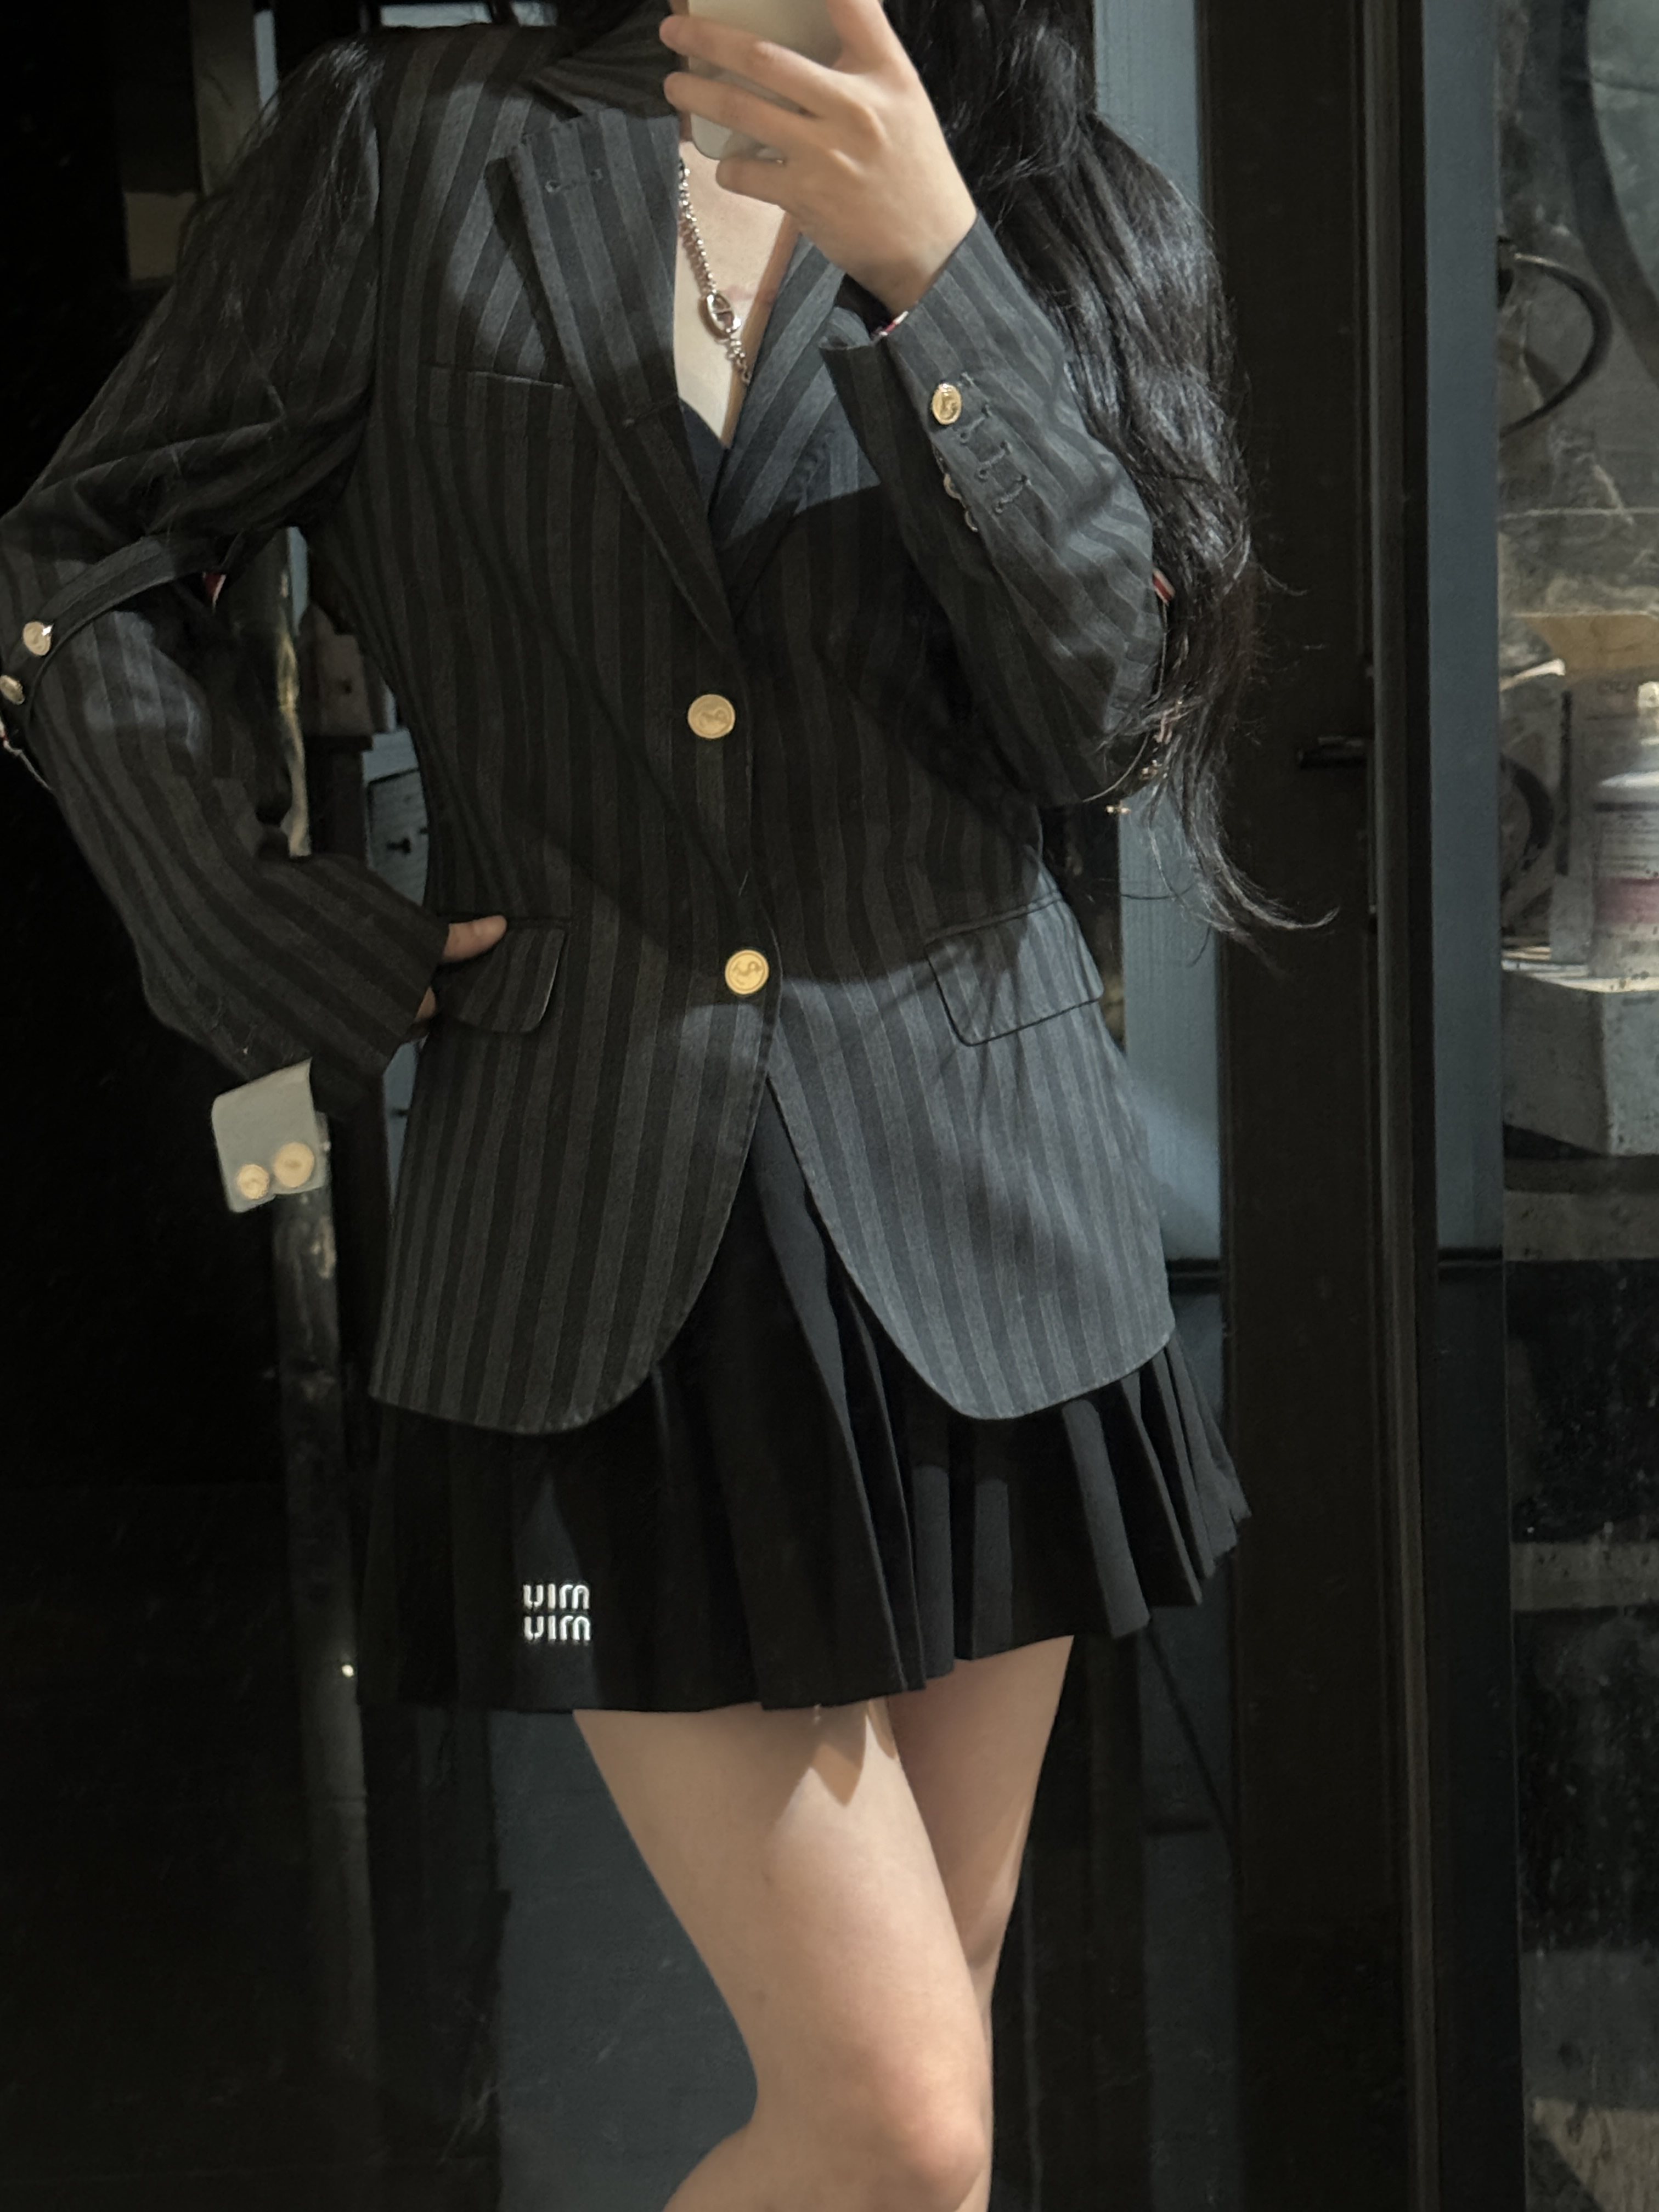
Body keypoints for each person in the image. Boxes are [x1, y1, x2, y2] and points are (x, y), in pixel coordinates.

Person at [0, 0, 1260, 2202]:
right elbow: (83, 550)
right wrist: (247, 931)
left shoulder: (1026, 174)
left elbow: (1095, 722)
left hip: (989, 1235)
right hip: (596, 1230)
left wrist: (937, 269)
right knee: (904, 2128)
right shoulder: (407, 147)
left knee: (917, 2113)